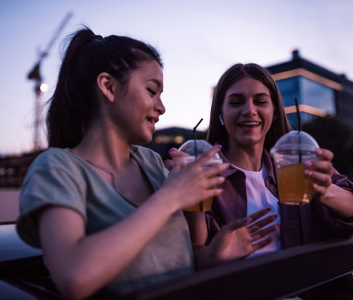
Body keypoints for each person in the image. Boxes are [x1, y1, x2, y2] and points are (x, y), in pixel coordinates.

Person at [16, 28, 278, 300]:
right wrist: (171, 196)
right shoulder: (57, 168)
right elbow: (74, 278)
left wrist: (211, 254)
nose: (162, 107)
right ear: (108, 87)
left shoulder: (152, 163)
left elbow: (175, 263)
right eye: (152, 91)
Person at [176, 63, 353, 299]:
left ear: (275, 111)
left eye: (260, 101)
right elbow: (191, 259)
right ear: (220, 113)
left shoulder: (296, 163)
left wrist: (326, 191)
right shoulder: (204, 174)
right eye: (236, 102)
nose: (249, 110)